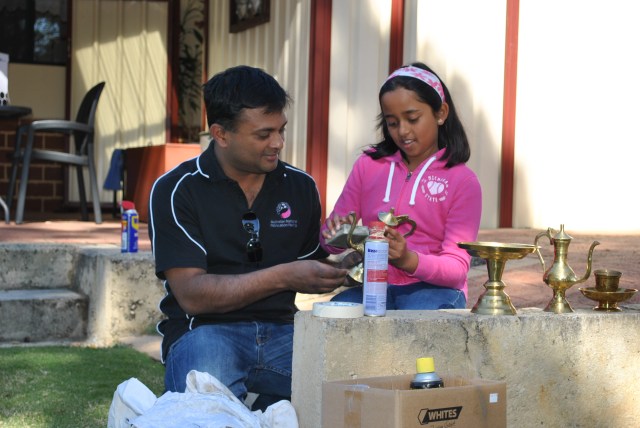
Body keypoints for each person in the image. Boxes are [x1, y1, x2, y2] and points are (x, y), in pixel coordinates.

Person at [148, 65, 348, 411]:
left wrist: (353, 257)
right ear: (221, 134)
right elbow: (193, 296)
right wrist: (285, 275)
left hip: (285, 334)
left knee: (347, 388)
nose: (278, 143)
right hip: (204, 334)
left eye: (281, 130)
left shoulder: (300, 187)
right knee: (207, 407)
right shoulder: (176, 190)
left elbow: (312, 264)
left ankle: (269, 406)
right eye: (263, 134)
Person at [320, 62, 482, 310]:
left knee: (417, 319)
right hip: (373, 285)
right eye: (392, 122)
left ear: (441, 113)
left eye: (412, 118)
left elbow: (457, 270)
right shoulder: (368, 165)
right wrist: (335, 233)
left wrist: (408, 260)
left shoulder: (462, 181)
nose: (402, 131)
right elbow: (330, 242)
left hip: (434, 291)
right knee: (333, 313)